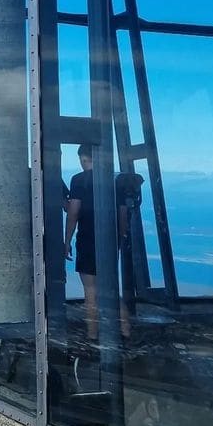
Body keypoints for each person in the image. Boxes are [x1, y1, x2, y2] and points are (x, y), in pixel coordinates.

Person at [64, 144, 131, 342]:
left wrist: (66, 241)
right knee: (110, 289)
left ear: (83, 159)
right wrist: (119, 239)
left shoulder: (79, 180)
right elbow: (123, 214)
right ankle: (126, 330)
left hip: (87, 239)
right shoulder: (114, 180)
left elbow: (73, 213)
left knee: (91, 290)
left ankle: (92, 335)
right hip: (110, 240)